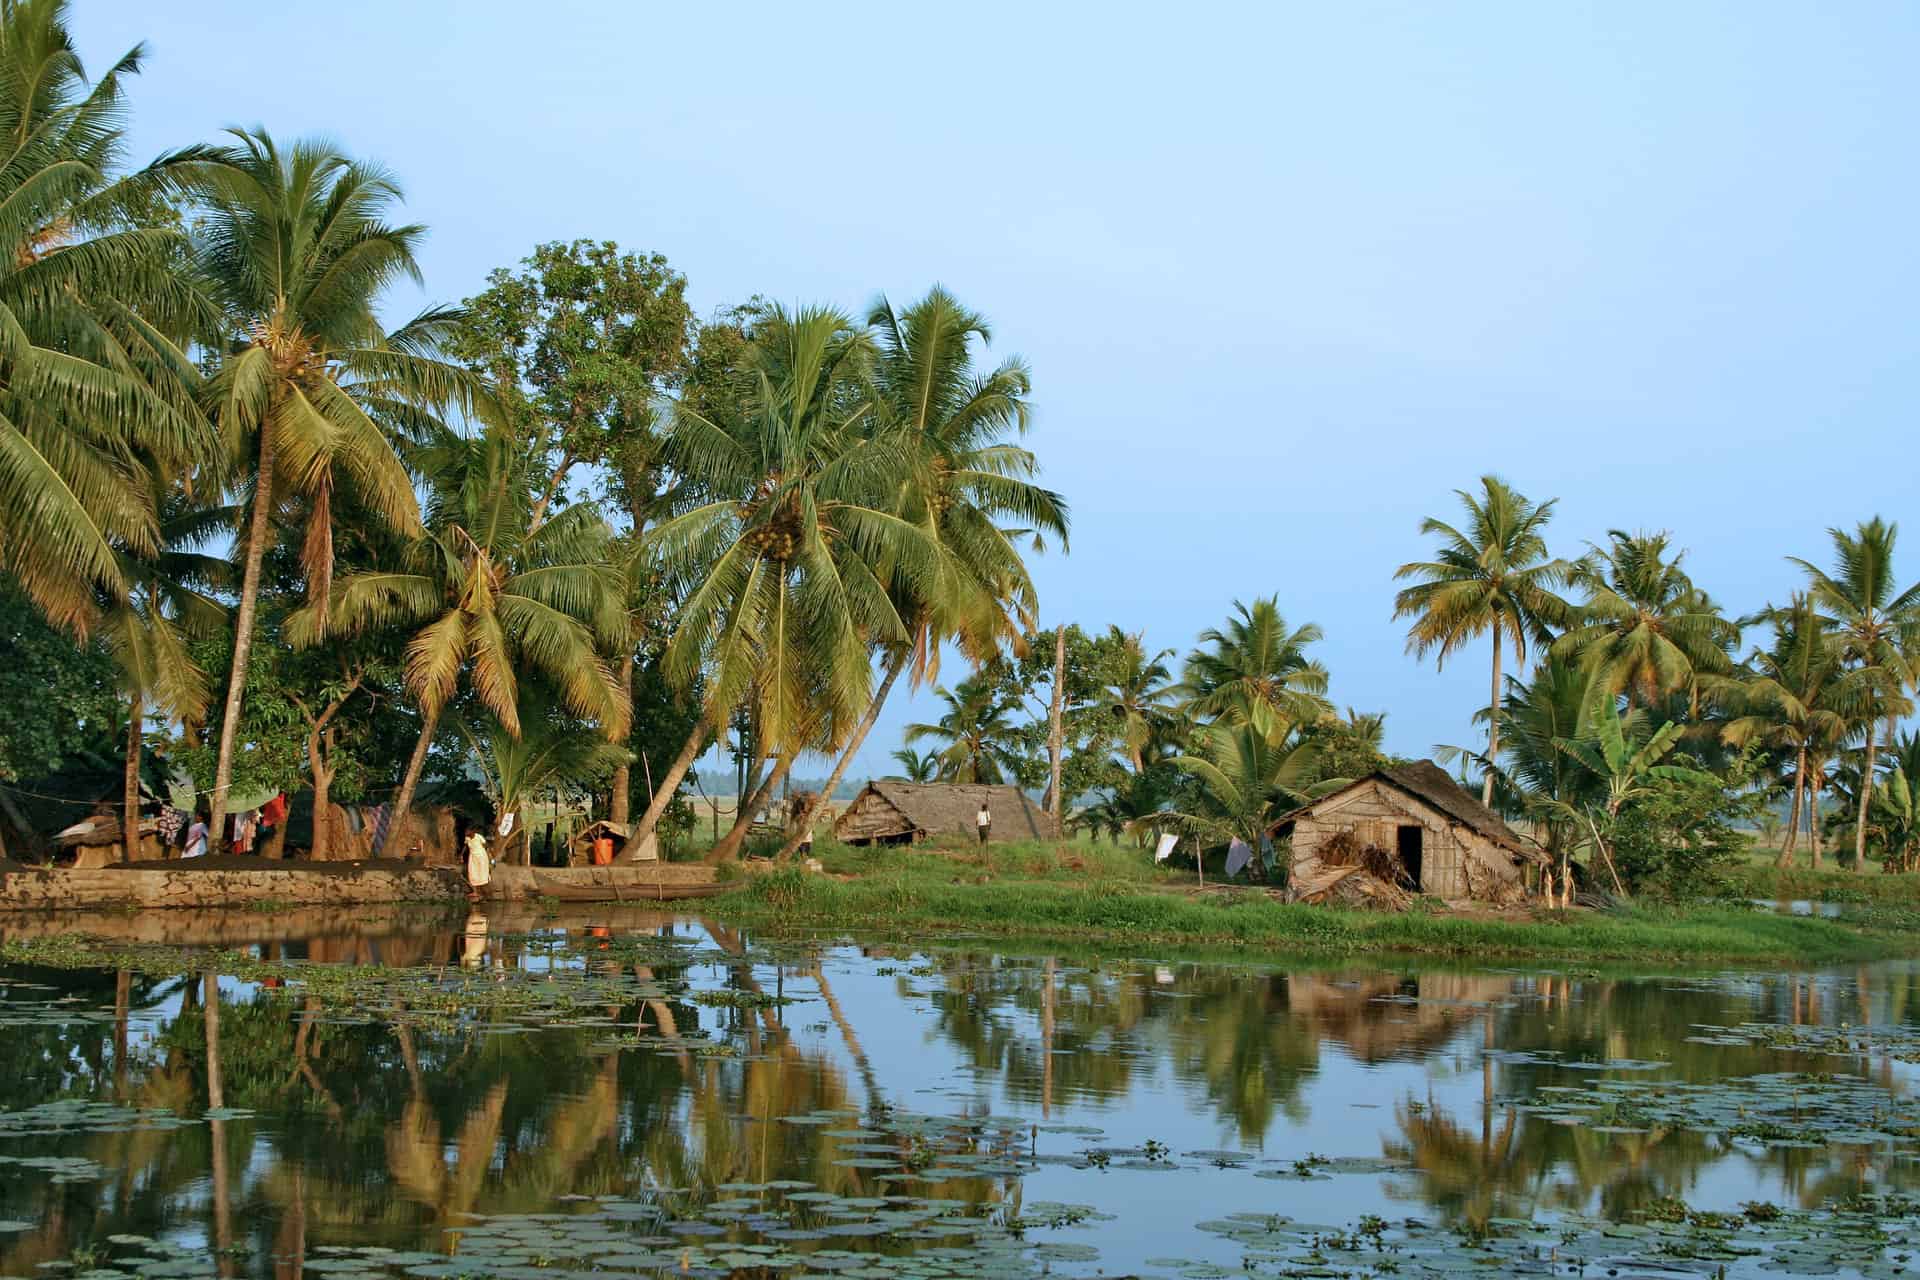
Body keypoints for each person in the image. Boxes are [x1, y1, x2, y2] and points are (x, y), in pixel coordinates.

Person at [465, 828, 493, 901]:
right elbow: (465, 846)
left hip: (481, 857)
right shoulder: (467, 838)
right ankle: (475, 892)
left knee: (482, 873)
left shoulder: (479, 837)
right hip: (473, 857)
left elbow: (486, 846)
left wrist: (490, 857)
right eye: (466, 831)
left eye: (468, 831)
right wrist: (461, 855)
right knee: (472, 872)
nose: (466, 832)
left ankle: (485, 894)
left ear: (472, 831)